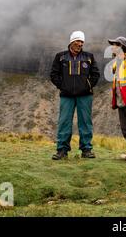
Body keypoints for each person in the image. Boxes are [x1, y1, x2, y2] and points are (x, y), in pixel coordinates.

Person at [50, 30, 100, 160]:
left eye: (82, 41)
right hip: (66, 96)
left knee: (85, 122)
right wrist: (62, 86)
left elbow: (96, 74)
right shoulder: (60, 57)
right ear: (71, 41)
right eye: (78, 41)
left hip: (85, 95)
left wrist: (87, 86)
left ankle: (86, 150)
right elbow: (53, 74)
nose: (80, 44)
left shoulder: (89, 57)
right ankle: (62, 150)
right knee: (64, 122)